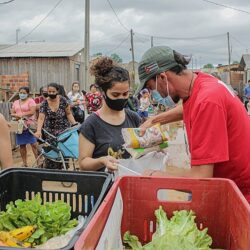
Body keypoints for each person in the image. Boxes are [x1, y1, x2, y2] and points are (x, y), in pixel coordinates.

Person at [137, 45, 250, 202]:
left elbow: (201, 179)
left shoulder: (207, 101)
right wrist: (154, 120)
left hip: (239, 195)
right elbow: (189, 108)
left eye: (151, 87)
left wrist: (156, 176)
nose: (154, 95)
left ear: (163, 77)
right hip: (228, 186)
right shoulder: (202, 82)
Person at [78, 57, 141, 172]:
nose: (122, 98)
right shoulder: (91, 124)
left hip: (130, 183)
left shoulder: (134, 118)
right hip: (105, 187)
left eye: (125, 93)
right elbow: (83, 163)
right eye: (116, 95)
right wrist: (101, 161)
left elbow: (140, 150)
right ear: (102, 92)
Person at [35, 83, 77, 169]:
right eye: (49, 91)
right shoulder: (44, 103)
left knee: (64, 148)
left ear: (57, 91)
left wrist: (74, 124)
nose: (51, 93)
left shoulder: (63, 100)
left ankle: (64, 166)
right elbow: (41, 118)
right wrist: (38, 130)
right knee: (51, 149)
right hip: (50, 131)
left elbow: (68, 114)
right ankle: (51, 168)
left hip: (63, 130)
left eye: (53, 91)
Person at [10, 86, 38, 167]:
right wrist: (15, 115)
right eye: (20, 93)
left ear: (27, 93)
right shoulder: (15, 102)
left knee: (33, 144)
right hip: (20, 126)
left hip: (29, 125)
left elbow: (32, 112)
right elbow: (12, 112)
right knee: (22, 145)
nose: (22, 94)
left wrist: (20, 115)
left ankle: (39, 160)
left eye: (24, 93)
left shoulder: (31, 101)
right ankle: (24, 163)